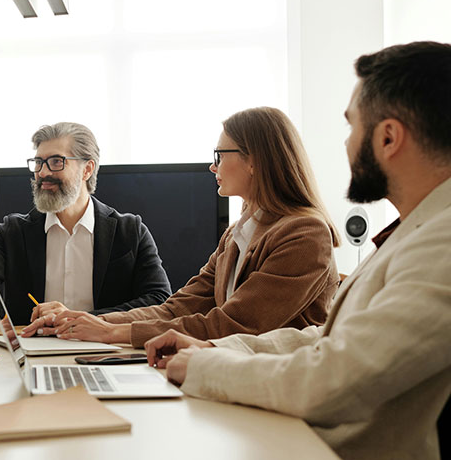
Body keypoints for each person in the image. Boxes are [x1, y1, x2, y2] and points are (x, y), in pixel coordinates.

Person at [144, 41, 451, 460]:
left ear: (388, 137)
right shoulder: (414, 232)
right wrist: (222, 351)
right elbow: (325, 340)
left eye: (352, 127)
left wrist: (204, 369)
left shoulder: (442, 243)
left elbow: (336, 379)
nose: (346, 145)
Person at [23, 107, 339, 347]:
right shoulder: (236, 235)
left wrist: (115, 332)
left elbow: (235, 324)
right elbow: (177, 307)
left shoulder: (305, 234)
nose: (212, 166)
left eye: (220, 154)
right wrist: (90, 322)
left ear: (254, 160)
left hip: (274, 391)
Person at [0, 122, 171, 326]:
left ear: (87, 169)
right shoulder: (13, 232)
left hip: (106, 351)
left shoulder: (130, 231)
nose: (43, 172)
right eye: (38, 162)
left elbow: (159, 301)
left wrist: (85, 319)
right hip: (33, 352)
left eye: (56, 161)